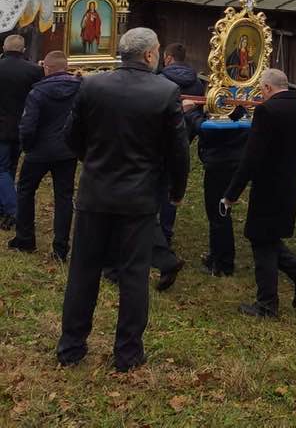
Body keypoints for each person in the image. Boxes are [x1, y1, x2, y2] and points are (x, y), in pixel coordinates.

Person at [56, 28, 189, 372]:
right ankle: (128, 354)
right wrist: (176, 190)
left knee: (83, 270)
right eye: (156, 51)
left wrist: (94, 160)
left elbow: (71, 135)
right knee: (133, 274)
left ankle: (71, 346)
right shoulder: (166, 92)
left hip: (95, 192)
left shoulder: (93, 85)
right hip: (139, 197)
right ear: (149, 55)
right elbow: (178, 151)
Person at [222, 68, 296, 318]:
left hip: (267, 186)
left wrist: (232, 193)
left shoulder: (267, 111)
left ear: (266, 88)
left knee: (260, 239)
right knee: (268, 238)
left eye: (261, 90)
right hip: (289, 182)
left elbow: (251, 157)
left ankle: (267, 304)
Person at [8, 51, 79, 261]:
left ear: (46, 68)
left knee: (25, 191)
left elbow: (28, 125)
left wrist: (27, 146)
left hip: (39, 151)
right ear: (66, 67)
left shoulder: (38, 93)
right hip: (66, 151)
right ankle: (60, 248)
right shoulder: (79, 89)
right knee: (64, 197)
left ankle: (25, 238)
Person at [183, 100, 250, 277]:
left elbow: (208, 130)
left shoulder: (228, 107)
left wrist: (191, 112)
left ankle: (223, 263)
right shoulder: (240, 105)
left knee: (218, 213)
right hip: (230, 161)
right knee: (218, 213)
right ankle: (217, 256)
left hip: (221, 164)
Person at [157, 43, 204, 244]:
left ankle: (151, 229)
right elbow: (198, 111)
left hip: (161, 139)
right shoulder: (198, 83)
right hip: (183, 138)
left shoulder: (160, 80)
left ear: (168, 58)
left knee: (155, 183)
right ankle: (166, 232)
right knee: (172, 185)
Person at [0, 34, 43, 230]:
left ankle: (13, 210)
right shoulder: (35, 71)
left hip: (1, 128)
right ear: (23, 50)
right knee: (9, 168)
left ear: (4, 48)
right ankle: (5, 208)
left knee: (2, 169)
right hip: (23, 126)